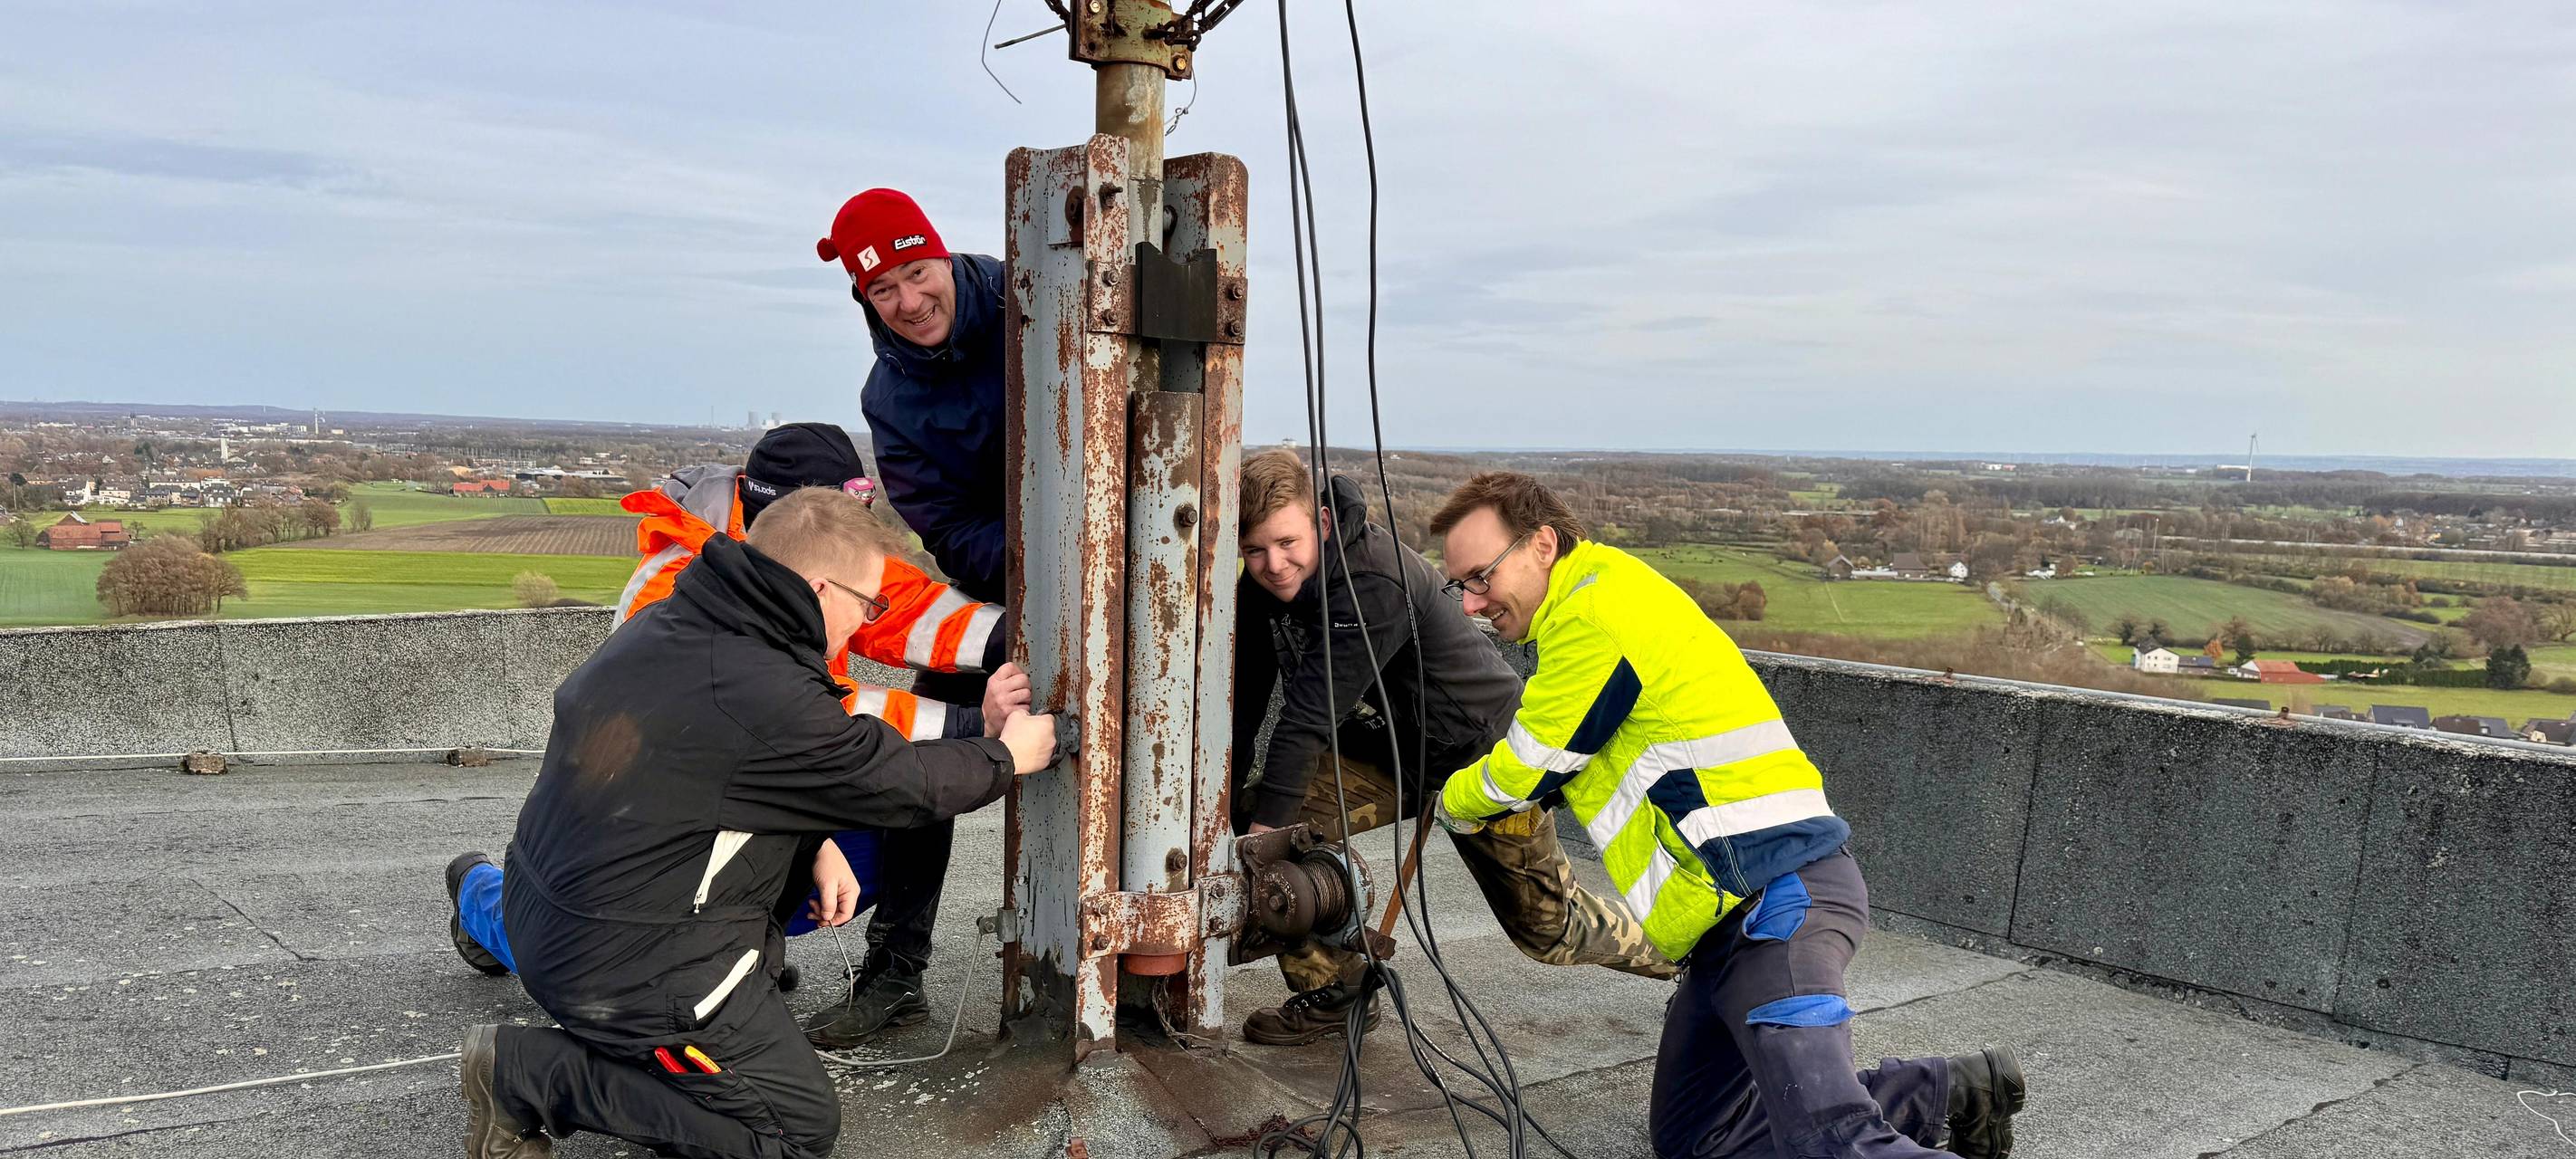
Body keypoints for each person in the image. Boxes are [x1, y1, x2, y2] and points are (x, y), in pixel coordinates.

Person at [1426, 473, 2025, 1159]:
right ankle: (1953, 1092)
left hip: (1776, 900)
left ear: (1541, 544)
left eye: (1481, 577)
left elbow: (1530, 765)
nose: (1472, 603)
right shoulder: (1602, 595)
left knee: (1831, 1140)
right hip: (1723, 927)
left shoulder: (1591, 614)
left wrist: (1452, 802)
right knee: (1699, 1140)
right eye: (1459, 587)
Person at [457, 486, 1061, 1159]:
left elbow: (731, 773)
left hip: (546, 912)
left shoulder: (676, 625)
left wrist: (816, 840)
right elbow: (897, 784)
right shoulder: (764, 688)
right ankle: (531, 1075)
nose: (865, 625)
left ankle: (650, 1029)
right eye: (868, 605)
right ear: (820, 588)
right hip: (625, 965)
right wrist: (1010, 756)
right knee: (792, 1131)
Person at [442, 424, 1019, 995]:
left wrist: (1025, 636)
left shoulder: (810, 545)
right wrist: (969, 727)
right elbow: (793, 723)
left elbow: (907, 611)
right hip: (655, 827)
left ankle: (735, 949)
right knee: (571, 953)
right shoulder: (675, 587)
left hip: (760, 781)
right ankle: (478, 894)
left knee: (882, 827)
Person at [1226, 450, 1673, 1046]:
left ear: (1322, 524)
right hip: (1384, 753)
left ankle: (1686, 953)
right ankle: (1337, 993)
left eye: (1287, 543)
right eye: (1254, 550)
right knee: (1280, 834)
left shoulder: (1371, 583)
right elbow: (1244, 701)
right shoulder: (1260, 590)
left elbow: (1306, 720)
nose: (1273, 564)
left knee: (1548, 929)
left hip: (1481, 756)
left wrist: (1259, 843)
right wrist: (1235, 818)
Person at [802, 188, 1011, 1049]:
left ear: (943, 256)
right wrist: (1046, 571)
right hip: (1006, 584)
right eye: (882, 290)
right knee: (919, 756)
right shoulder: (890, 397)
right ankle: (896, 975)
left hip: (1130, 566)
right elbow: (945, 526)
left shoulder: (1041, 301)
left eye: (916, 273)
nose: (908, 301)